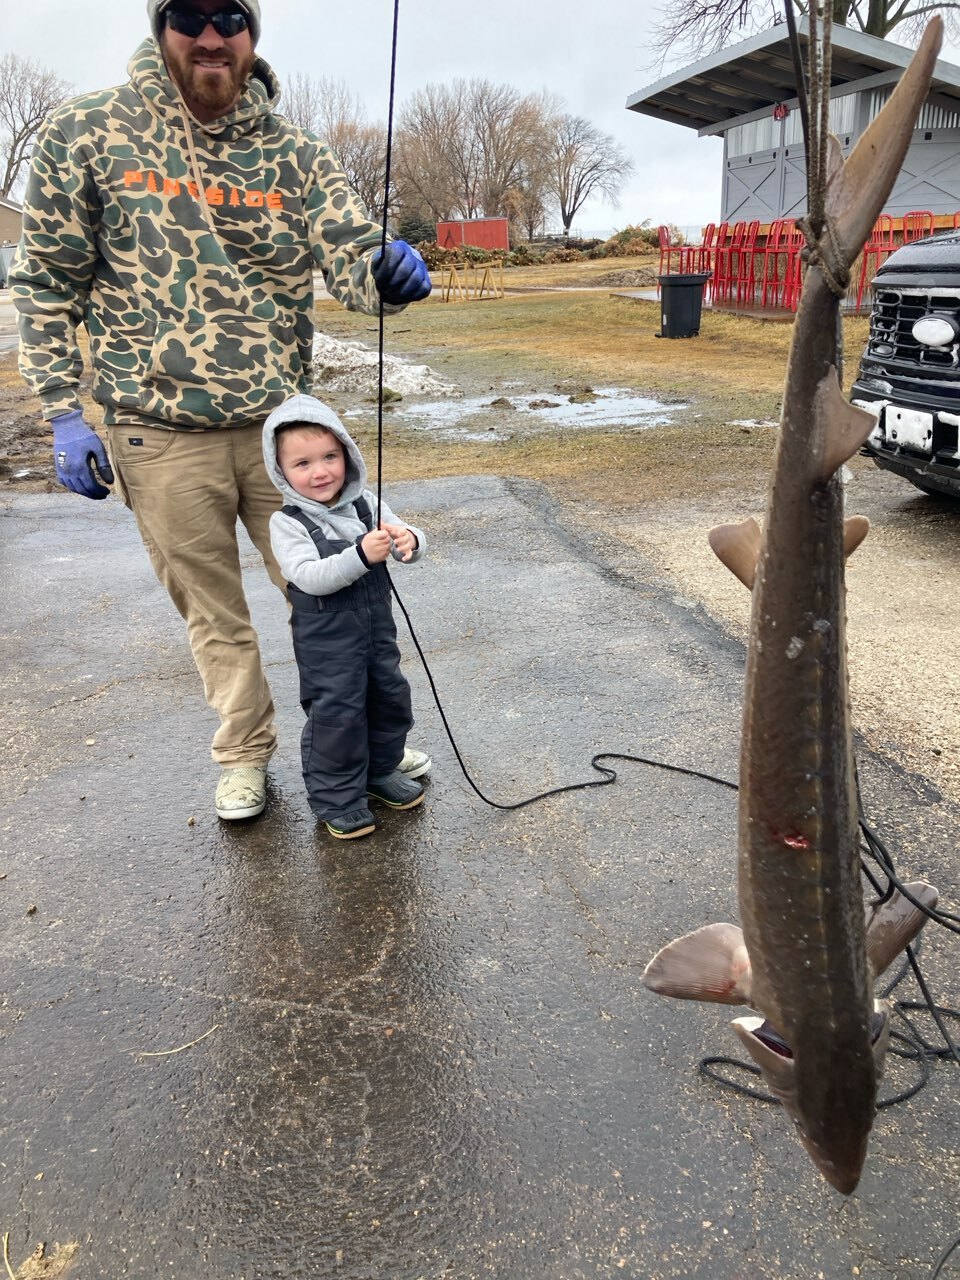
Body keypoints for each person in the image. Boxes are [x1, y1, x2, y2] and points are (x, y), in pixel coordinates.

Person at [10, 0, 433, 822]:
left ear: (252, 31)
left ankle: (365, 743)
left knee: (335, 595)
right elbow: (46, 280)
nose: (210, 36)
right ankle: (244, 755)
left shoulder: (295, 153)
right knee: (214, 613)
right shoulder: (87, 131)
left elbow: (346, 248)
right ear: (161, 25)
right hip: (156, 430)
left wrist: (382, 266)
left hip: (286, 434)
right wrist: (64, 410)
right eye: (188, 15)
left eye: (229, 16)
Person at [263, 393, 425, 839]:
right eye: (303, 464)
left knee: (389, 699)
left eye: (330, 456)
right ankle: (338, 798)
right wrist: (359, 555)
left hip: (376, 633)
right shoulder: (289, 523)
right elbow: (310, 578)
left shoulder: (366, 503)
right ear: (281, 471)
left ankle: (380, 771)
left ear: (348, 455)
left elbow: (405, 540)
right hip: (327, 643)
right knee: (339, 715)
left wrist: (407, 540)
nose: (320, 472)